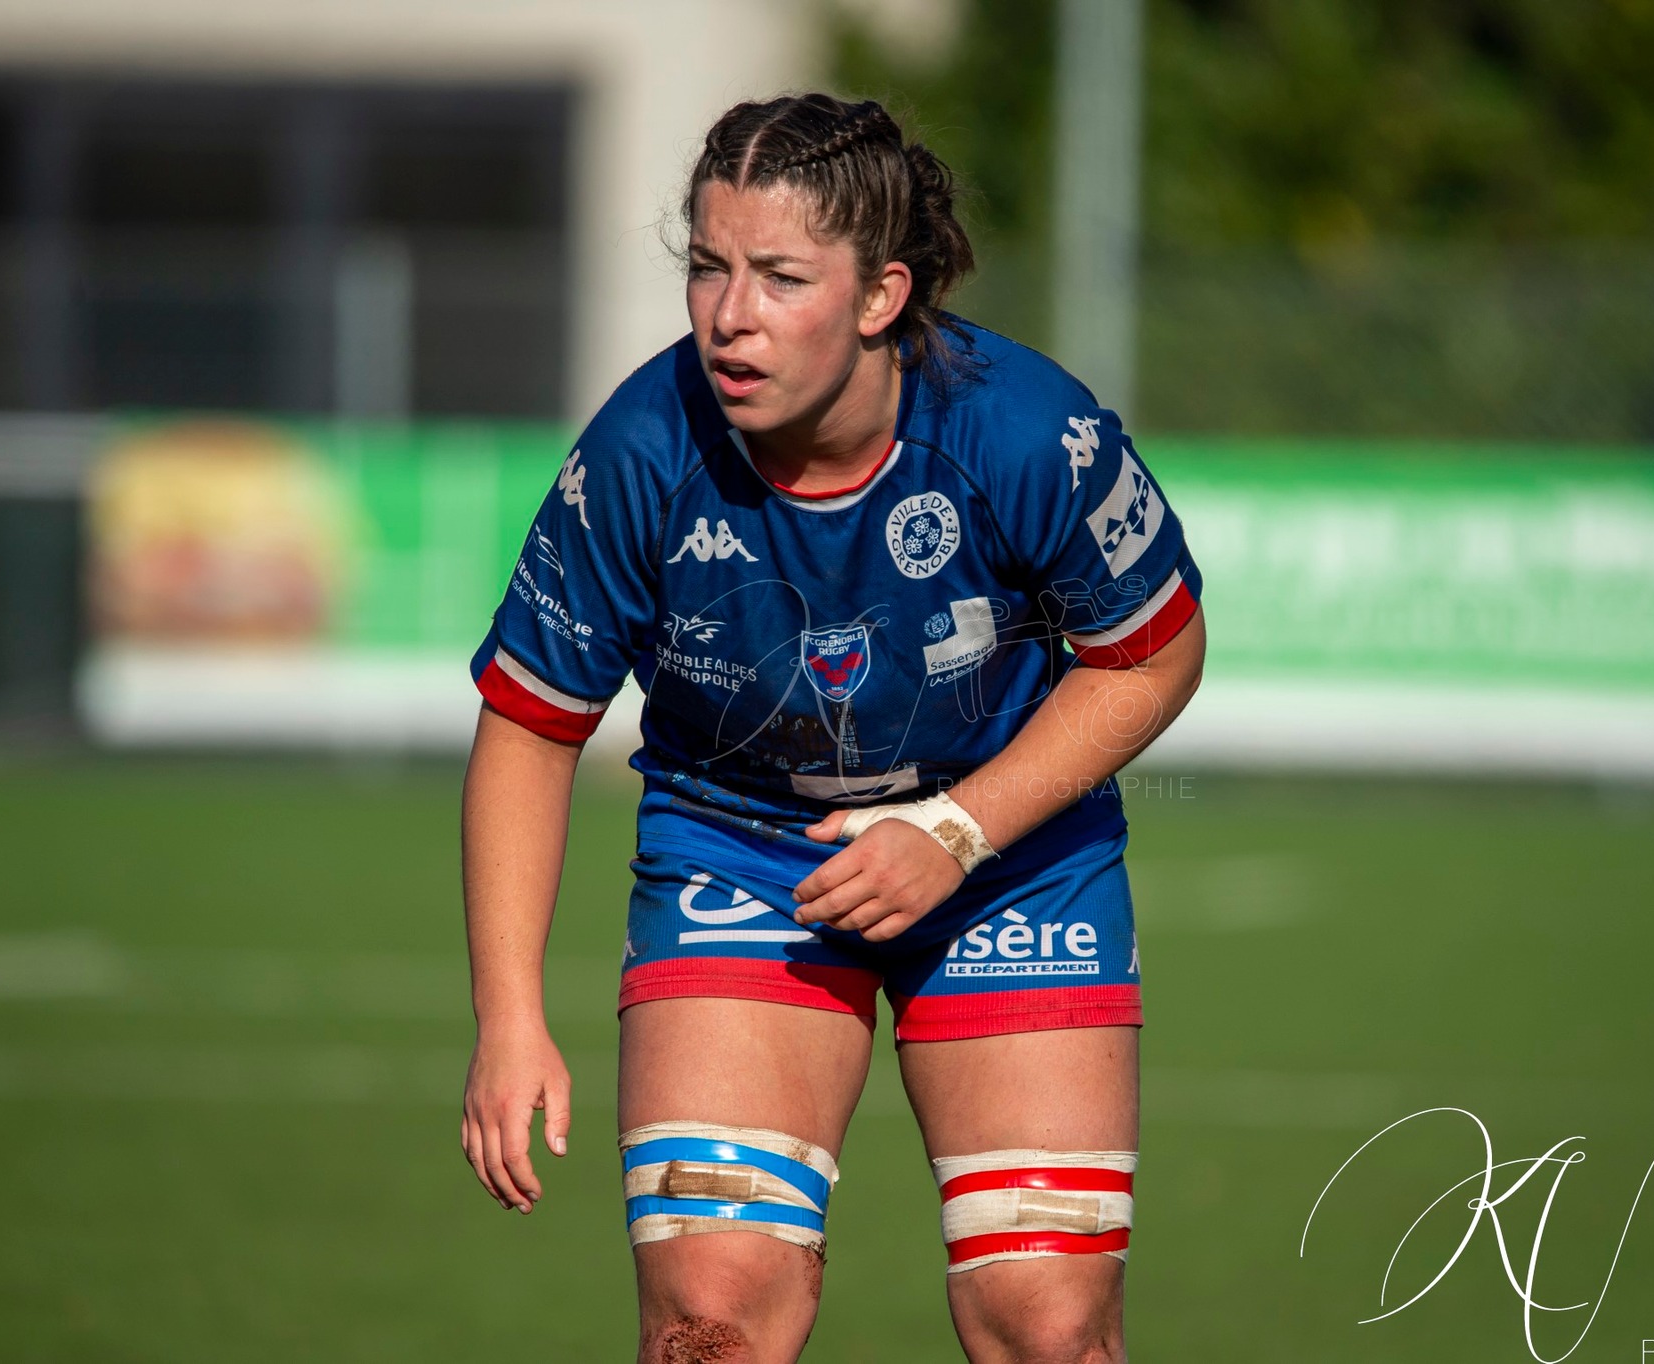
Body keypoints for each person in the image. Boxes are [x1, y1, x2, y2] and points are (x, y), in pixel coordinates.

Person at [459, 92, 1206, 1364]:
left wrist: (954, 831)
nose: (728, 314)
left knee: (1046, 1322)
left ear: (879, 295)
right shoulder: (641, 448)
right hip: (740, 849)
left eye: (780, 276)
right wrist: (508, 1015)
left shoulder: (1024, 428)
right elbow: (529, 726)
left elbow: (1153, 653)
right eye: (708, 266)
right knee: (710, 1319)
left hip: (1010, 855)